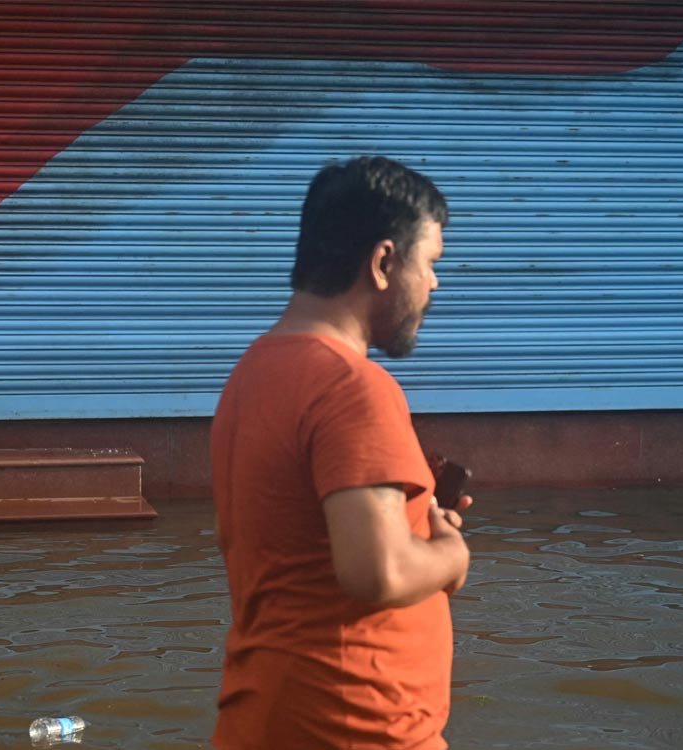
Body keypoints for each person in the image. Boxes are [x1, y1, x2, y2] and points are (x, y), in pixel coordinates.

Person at [211, 156, 472, 749]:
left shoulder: (255, 369)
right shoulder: (352, 387)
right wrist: (451, 556)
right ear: (383, 262)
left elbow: (308, 540)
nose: (436, 283)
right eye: (430, 262)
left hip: (266, 718)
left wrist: (415, 518)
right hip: (351, 726)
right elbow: (376, 572)